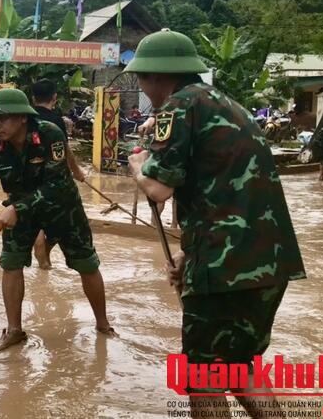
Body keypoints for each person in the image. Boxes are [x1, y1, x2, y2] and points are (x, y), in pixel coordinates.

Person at [125, 30, 306, 419]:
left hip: (225, 267)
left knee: (202, 377)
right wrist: (190, 255)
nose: (141, 85)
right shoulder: (230, 105)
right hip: (270, 261)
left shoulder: (178, 106)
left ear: (157, 75)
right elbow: (221, 190)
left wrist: (138, 167)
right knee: (240, 370)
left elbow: (158, 189)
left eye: (140, 76)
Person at [0, 88, 113, 353]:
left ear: (23, 117)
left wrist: (18, 208)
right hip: (21, 213)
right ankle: (14, 331)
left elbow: (57, 184)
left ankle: (103, 325)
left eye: (3, 118)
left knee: (86, 262)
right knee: (11, 262)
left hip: (62, 208)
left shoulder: (50, 135)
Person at [30, 78, 86, 269]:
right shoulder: (56, 121)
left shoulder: (25, 119)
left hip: (29, 177)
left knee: (34, 216)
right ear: (54, 97)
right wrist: (77, 172)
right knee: (62, 220)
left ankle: (39, 246)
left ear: (33, 98)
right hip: (53, 180)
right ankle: (44, 251)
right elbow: (65, 150)